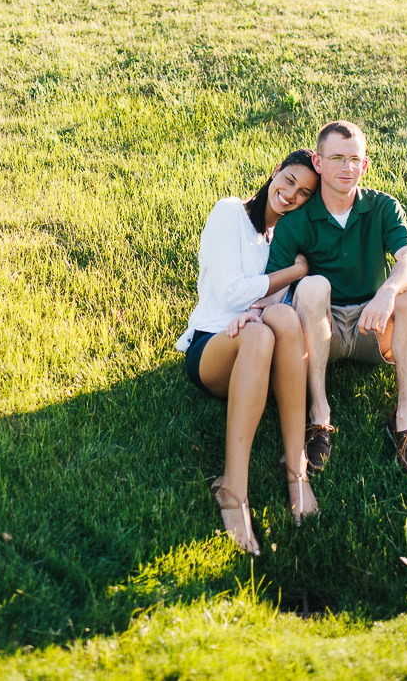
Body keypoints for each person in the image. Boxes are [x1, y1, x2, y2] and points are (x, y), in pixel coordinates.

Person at [264, 121, 407, 477]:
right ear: (319, 163)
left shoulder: (382, 206)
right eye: (337, 158)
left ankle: (405, 422)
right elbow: (274, 290)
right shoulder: (297, 221)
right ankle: (319, 417)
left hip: (374, 324)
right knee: (312, 286)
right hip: (323, 330)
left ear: (365, 165)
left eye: (355, 159)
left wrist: (386, 292)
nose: (346, 167)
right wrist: (251, 314)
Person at [175, 150, 320, 555]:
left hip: (262, 351)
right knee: (258, 334)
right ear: (275, 172)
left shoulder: (285, 240)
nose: (290, 195)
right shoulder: (229, 214)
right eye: (289, 180)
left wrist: (260, 310)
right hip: (213, 346)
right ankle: (232, 488)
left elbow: (281, 307)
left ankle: (297, 471)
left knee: (284, 323)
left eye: (304, 193)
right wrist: (293, 273)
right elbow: (229, 291)